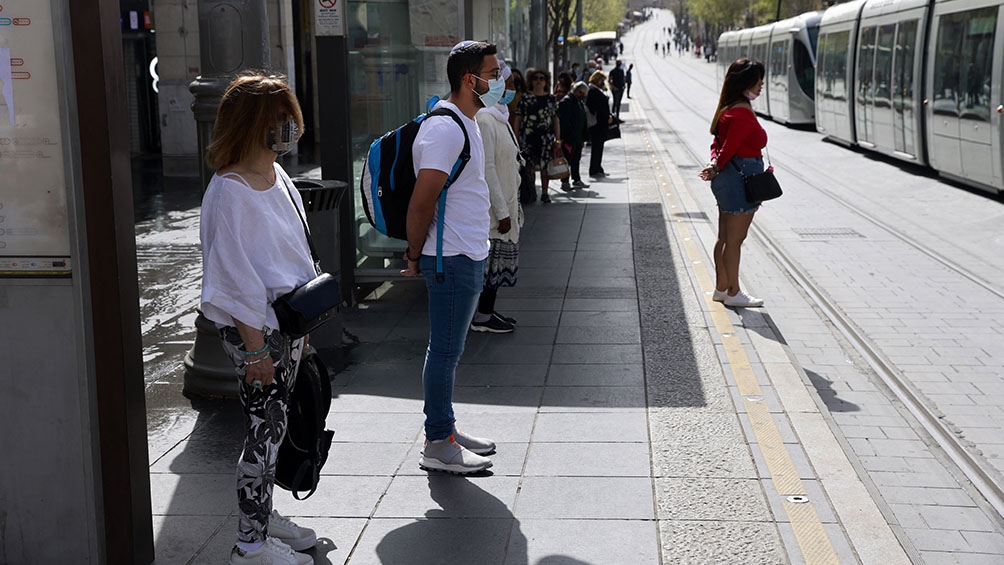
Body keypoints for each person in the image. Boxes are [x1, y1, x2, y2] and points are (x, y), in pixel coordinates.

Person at [199, 73, 317, 565]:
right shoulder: (229, 191)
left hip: (284, 322)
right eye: (280, 119)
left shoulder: (276, 174)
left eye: (290, 116)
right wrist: (255, 350)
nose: (290, 127)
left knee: (278, 423)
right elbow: (232, 278)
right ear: (254, 125)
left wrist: (301, 331)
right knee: (262, 433)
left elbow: (290, 250)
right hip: (255, 331)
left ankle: (265, 520)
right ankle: (250, 544)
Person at [401, 40, 498, 474]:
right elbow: (422, 202)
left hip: (467, 252)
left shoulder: (467, 121)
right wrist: (414, 254)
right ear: (468, 79)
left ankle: (446, 429)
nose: (499, 82)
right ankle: (438, 442)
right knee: (443, 351)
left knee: (449, 351)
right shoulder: (444, 129)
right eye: (493, 75)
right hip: (451, 257)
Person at [698, 58, 767, 308]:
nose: (761, 85)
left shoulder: (728, 108)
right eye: (758, 81)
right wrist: (716, 166)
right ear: (745, 82)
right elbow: (730, 147)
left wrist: (715, 164)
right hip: (740, 178)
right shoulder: (741, 111)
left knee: (725, 238)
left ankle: (721, 288)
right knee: (735, 240)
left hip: (729, 178)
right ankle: (735, 291)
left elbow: (718, 145)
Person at [473, 58, 523, 333]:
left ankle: (486, 312)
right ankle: (481, 318)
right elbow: (487, 168)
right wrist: (502, 212)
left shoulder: (498, 114)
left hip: (506, 200)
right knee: (489, 267)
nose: (513, 88)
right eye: (509, 83)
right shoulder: (484, 118)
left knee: (496, 269)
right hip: (495, 209)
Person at [514, 68, 561, 203]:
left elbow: (555, 119)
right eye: (535, 78)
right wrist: (516, 136)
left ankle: (545, 193)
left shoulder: (551, 99)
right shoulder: (525, 98)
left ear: (546, 81)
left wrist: (558, 139)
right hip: (527, 137)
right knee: (530, 167)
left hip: (545, 138)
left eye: (542, 78)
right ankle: (532, 191)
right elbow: (518, 117)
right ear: (531, 81)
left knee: (545, 167)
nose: (539, 81)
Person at [556, 81, 589, 191]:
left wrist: (584, 138)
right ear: (575, 90)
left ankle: (576, 179)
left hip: (578, 137)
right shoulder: (566, 102)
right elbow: (563, 122)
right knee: (567, 160)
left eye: (584, 94)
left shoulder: (579, 102)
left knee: (576, 160)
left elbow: (583, 120)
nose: (582, 95)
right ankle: (565, 181)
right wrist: (563, 138)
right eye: (581, 93)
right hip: (569, 138)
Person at [585, 71, 611, 179]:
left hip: (600, 123)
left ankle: (598, 167)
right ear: (597, 80)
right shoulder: (592, 91)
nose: (602, 83)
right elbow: (595, 107)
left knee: (599, 147)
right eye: (602, 80)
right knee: (597, 147)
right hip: (597, 125)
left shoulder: (594, 90)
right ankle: (594, 169)